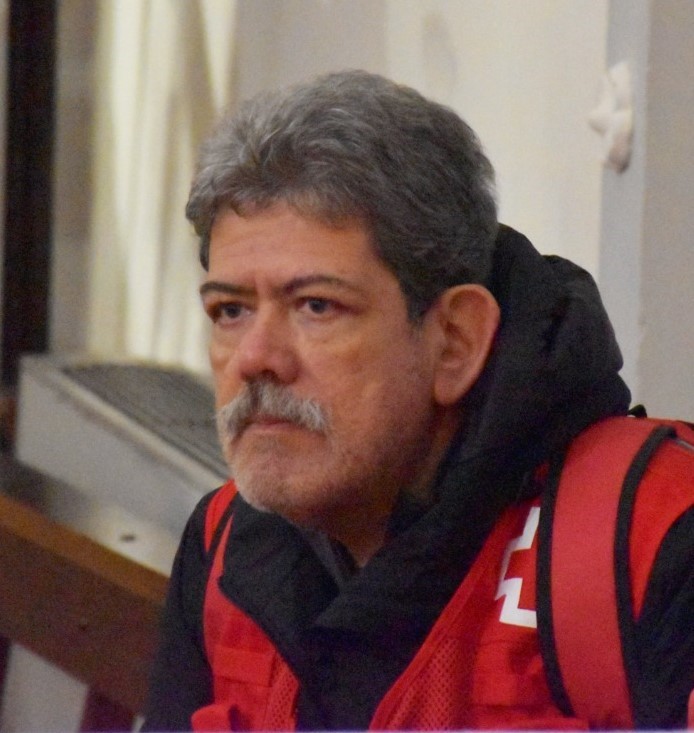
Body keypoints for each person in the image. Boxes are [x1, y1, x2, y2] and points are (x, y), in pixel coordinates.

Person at [144, 70, 693, 730]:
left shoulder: (657, 540)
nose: (256, 357)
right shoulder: (223, 548)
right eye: (230, 310)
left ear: (455, 342)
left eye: (316, 306)